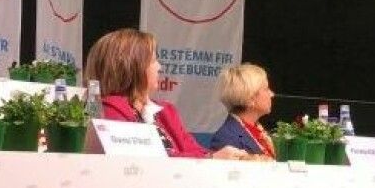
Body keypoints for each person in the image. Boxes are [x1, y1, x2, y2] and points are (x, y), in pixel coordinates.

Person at [83, 28, 248, 160]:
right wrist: (211, 159)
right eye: (153, 60)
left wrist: (224, 157)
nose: (160, 67)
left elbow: (196, 151)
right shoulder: (107, 111)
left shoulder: (166, 111)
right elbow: (143, 160)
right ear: (131, 67)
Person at [209, 63, 276, 158]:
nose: (272, 94)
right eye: (266, 89)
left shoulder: (257, 130)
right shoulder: (227, 138)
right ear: (250, 99)